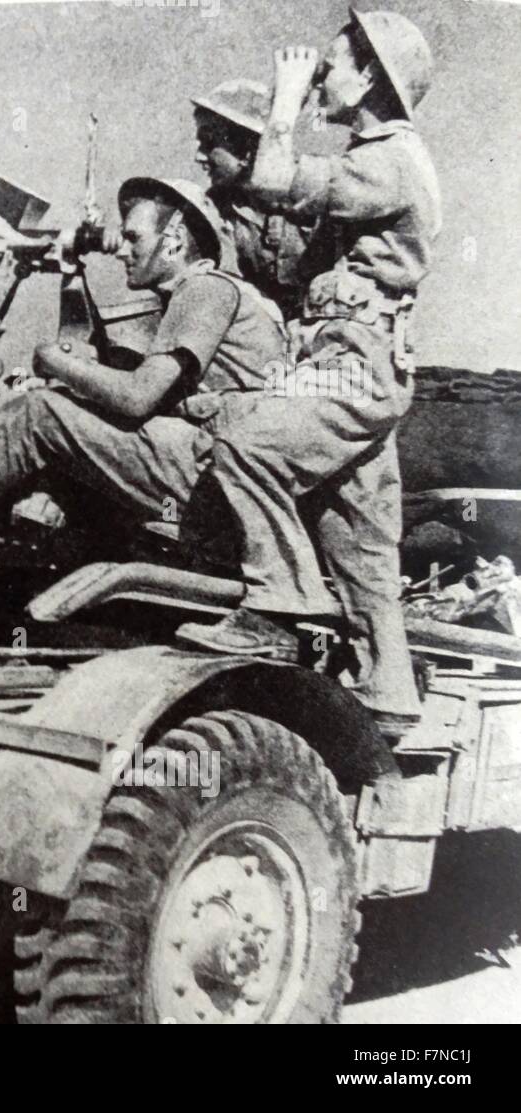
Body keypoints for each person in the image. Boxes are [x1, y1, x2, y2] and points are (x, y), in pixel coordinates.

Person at [175, 10, 440, 735]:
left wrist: (285, 105)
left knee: (246, 437)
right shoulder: (373, 160)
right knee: (359, 532)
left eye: (330, 67)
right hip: (351, 360)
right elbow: (282, 250)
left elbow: (277, 181)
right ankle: (388, 692)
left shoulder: (389, 160)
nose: (321, 76)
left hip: (355, 364)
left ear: (371, 80)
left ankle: (277, 609)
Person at [0, 177, 287, 567]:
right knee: (46, 403)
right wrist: (73, 278)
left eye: (135, 239)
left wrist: (52, 360)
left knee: (40, 414)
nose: (124, 252)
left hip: (214, 476)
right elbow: (101, 365)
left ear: (174, 239)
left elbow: (136, 397)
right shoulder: (205, 295)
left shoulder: (206, 290)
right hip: (217, 475)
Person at [191, 78, 313, 320]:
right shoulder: (216, 206)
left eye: (209, 144)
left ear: (246, 151)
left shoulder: (308, 198)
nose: (198, 156)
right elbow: (173, 249)